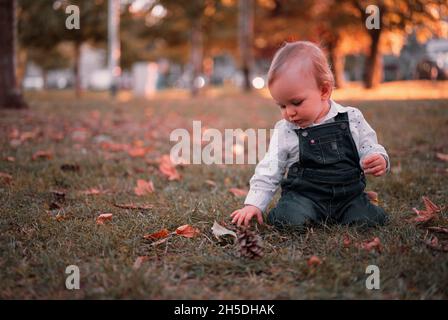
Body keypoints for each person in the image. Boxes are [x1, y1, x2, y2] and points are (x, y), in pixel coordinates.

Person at [231, 41, 389, 229]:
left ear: (324, 90)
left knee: (371, 220)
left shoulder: (351, 118)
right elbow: (269, 168)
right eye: (282, 105)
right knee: (287, 219)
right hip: (305, 198)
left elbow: (369, 146)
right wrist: (253, 204)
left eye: (296, 102)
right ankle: (302, 214)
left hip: (348, 196)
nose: (289, 112)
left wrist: (379, 158)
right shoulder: (286, 130)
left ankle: (351, 213)